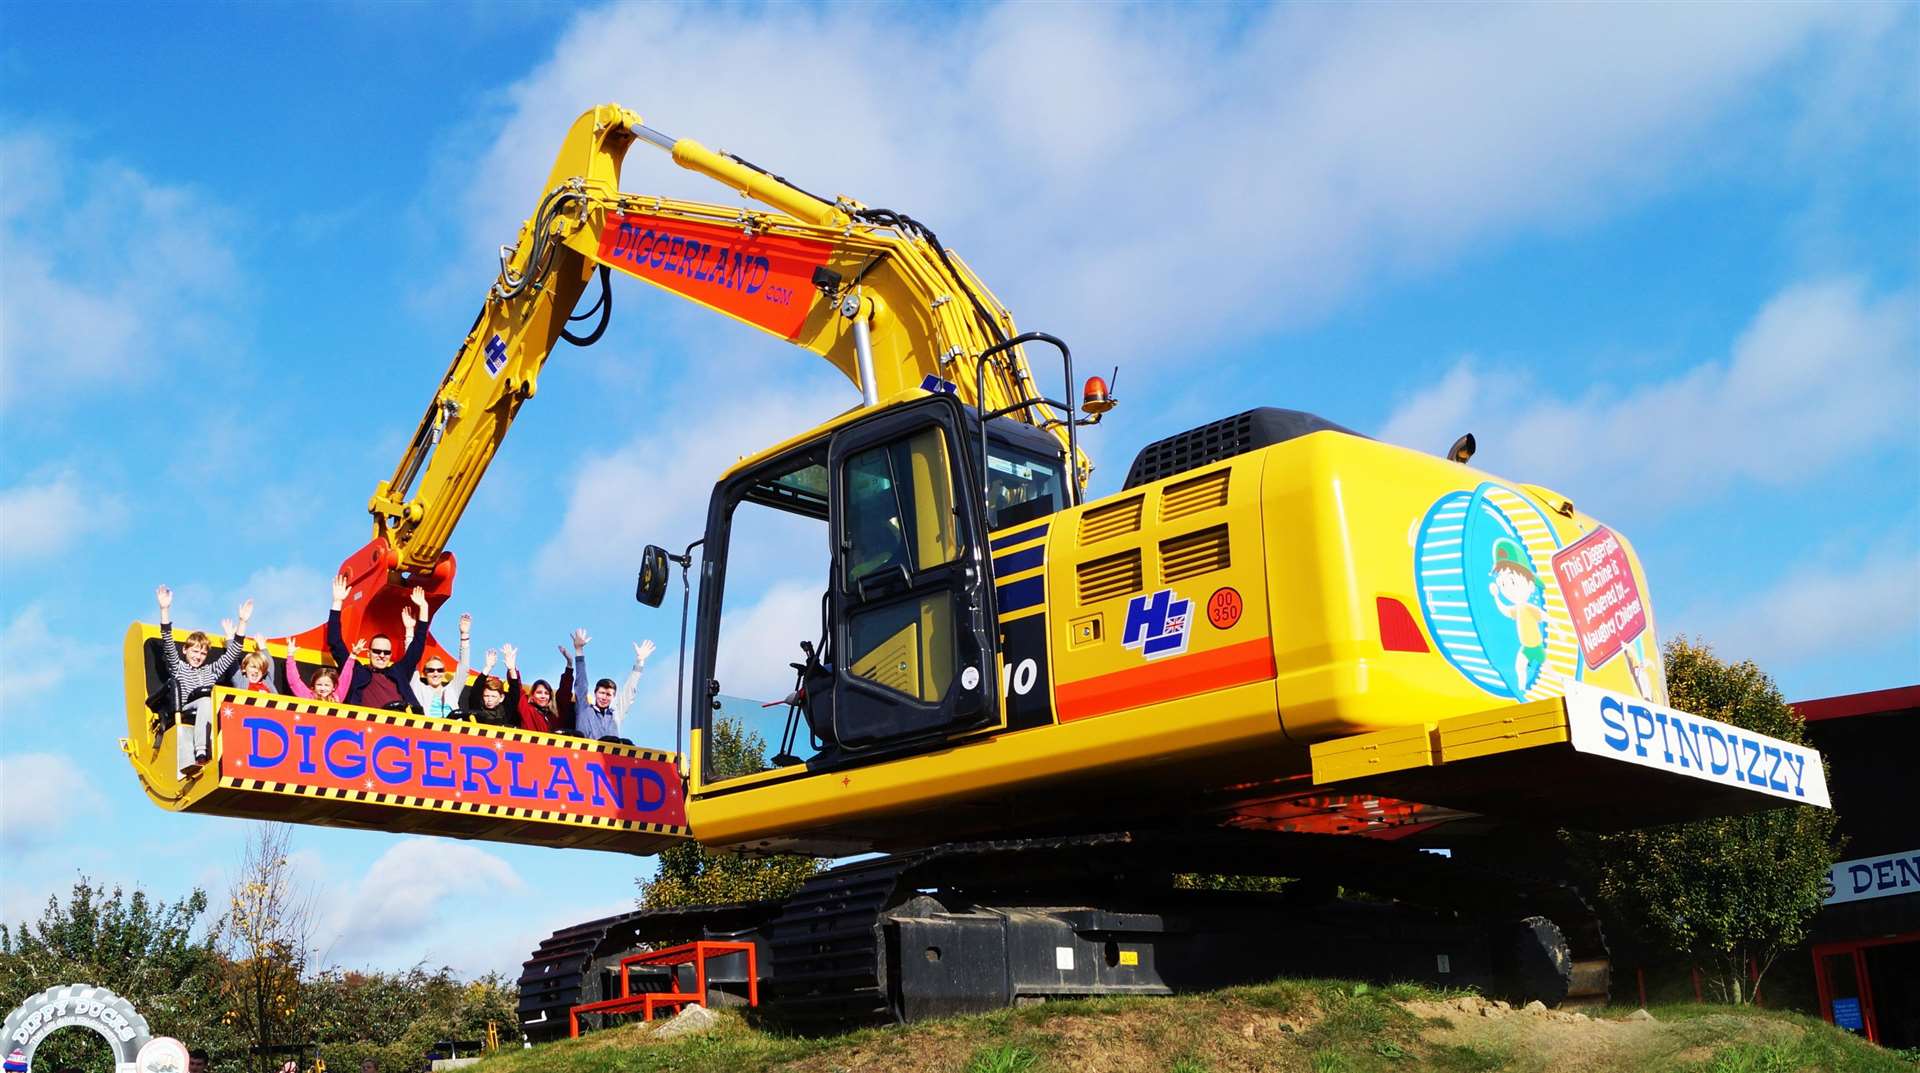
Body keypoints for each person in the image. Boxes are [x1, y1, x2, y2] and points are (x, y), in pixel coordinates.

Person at [156, 585, 254, 777]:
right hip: (186, 707)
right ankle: (201, 751)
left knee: (216, 704)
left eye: (202, 653)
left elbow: (233, 652)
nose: (198, 656)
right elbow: (167, 640)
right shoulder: (179, 667)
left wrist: (242, 623)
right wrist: (164, 610)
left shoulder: (210, 670)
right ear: (185, 650)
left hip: (206, 710)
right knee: (206, 701)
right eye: (195, 651)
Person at [326, 572, 431, 709]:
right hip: (369, 726)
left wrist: (424, 608)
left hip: (401, 726)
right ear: (368, 653)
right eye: (377, 651)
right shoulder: (356, 670)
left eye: (386, 652)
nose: (382, 655)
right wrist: (337, 602)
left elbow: (417, 647)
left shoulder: (398, 672)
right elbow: (335, 642)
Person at [572, 630, 653, 743]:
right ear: (595, 693)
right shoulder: (584, 710)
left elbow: (629, 692)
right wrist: (579, 651)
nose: (604, 697)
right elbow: (581, 683)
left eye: (608, 694)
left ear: (613, 696)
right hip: (585, 756)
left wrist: (640, 662)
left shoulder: (616, 714)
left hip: (609, 758)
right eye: (602, 693)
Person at [411, 613, 471, 719]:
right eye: (431, 670)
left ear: (443, 673)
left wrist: (464, 635)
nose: (435, 673)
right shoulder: (419, 689)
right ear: (425, 673)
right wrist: (409, 632)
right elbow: (410, 661)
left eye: (439, 670)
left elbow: (464, 668)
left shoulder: (451, 690)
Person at [285, 636, 358, 701]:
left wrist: (352, 656)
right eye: (319, 684)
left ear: (334, 687)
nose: (323, 688)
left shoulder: (337, 697)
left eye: (327, 685)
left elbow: (345, 678)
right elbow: (294, 682)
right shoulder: (308, 697)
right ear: (313, 686)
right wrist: (290, 655)